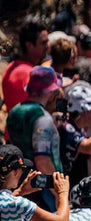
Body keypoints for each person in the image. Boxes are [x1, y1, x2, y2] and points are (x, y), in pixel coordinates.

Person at [7, 67, 64, 205]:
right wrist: (58, 193)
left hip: (18, 184)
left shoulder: (15, 111)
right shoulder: (42, 118)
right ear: (50, 91)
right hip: (42, 190)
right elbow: (42, 160)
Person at [2, 17, 48, 113]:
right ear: (29, 45)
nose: (48, 47)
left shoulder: (14, 67)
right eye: (43, 43)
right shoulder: (26, 74)